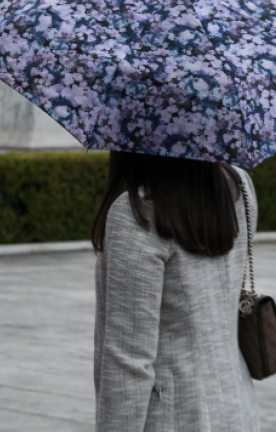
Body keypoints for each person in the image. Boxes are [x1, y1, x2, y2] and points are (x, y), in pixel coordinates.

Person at [92, 152, 260, 431]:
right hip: (235, 405)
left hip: (171, 417)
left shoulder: (137, 214)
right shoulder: (238, 185)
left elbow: (129, 358)